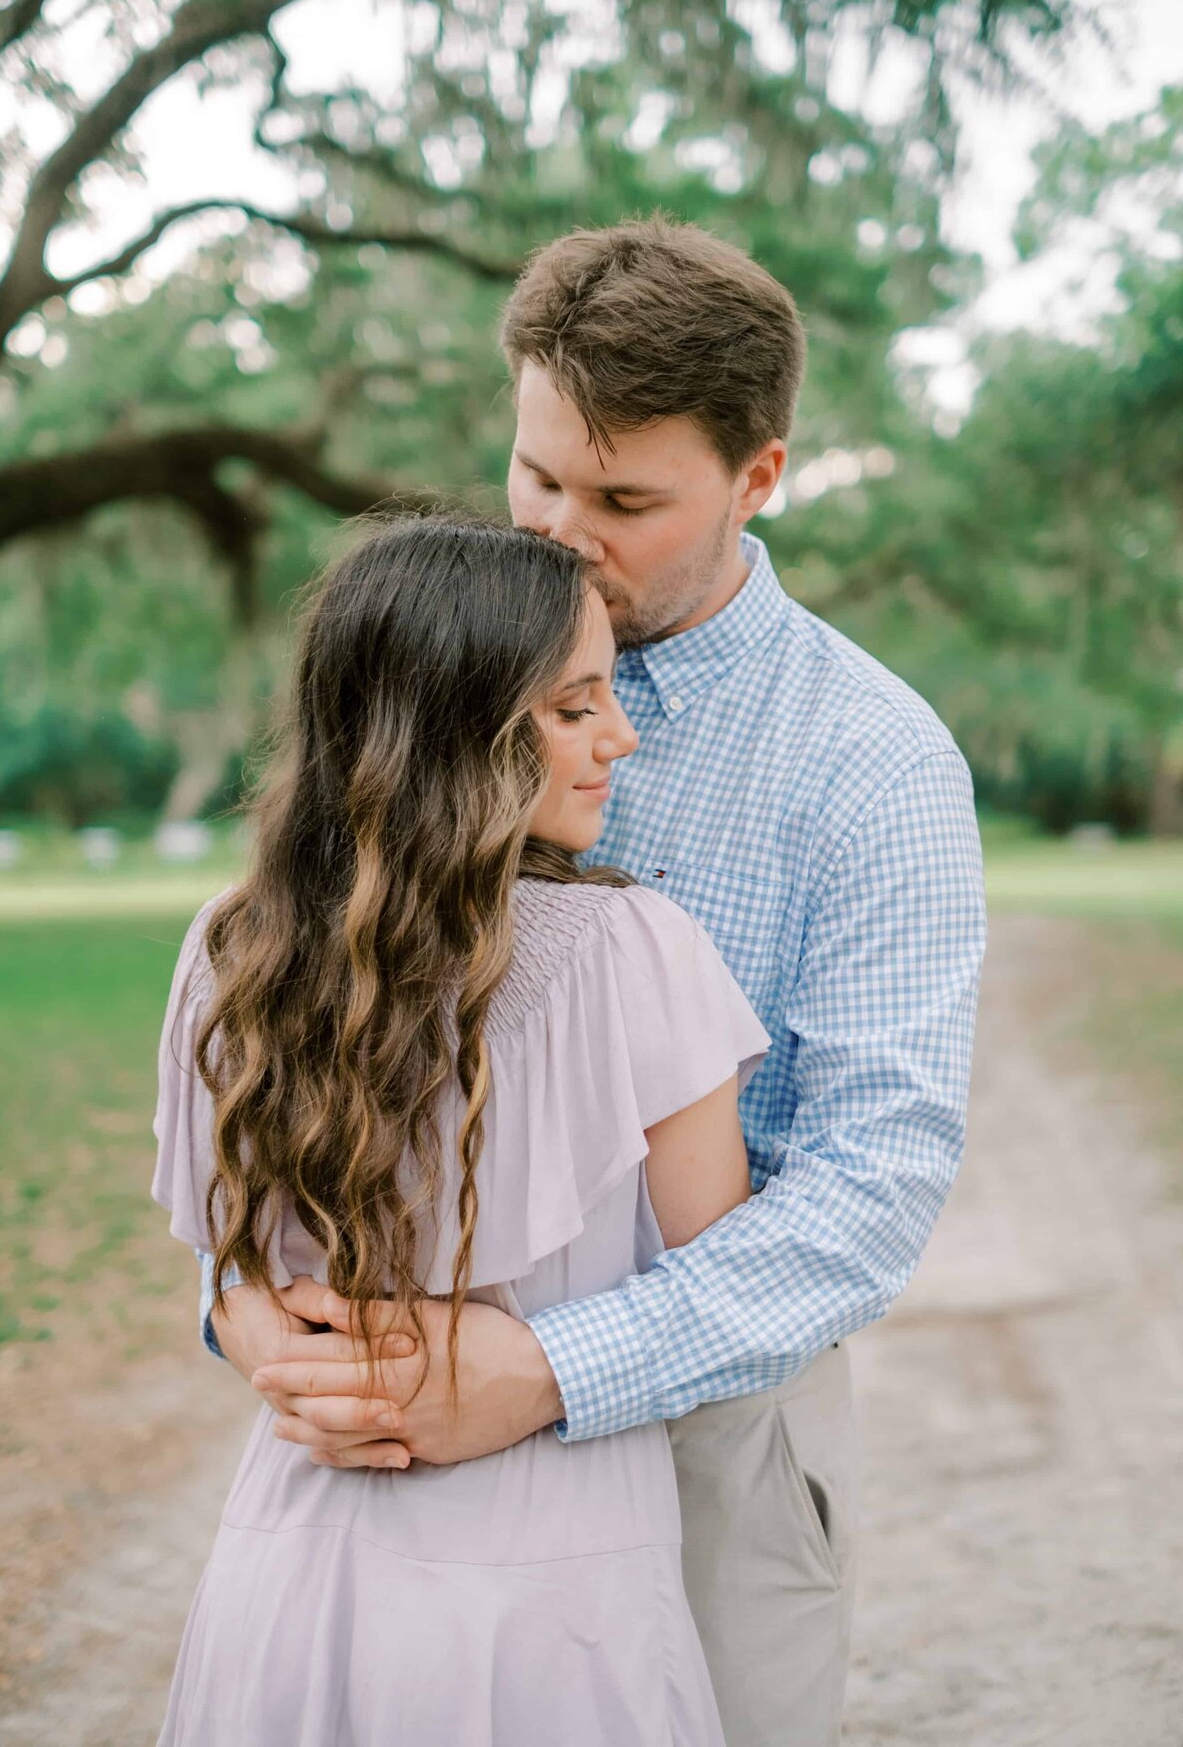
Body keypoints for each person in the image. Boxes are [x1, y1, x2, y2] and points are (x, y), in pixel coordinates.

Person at [200, 219, 988, 1745]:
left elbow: (874, 1182)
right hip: (375, 1425)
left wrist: (553, 1368)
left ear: (760, 477)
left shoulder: (875, 765)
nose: (563, 533)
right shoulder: (437, 671)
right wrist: (246, 1305)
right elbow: (299, 997)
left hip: (697, 1430)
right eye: (538, 476)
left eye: (625, 500)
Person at [153, 515, 771, 1744]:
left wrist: (296, 1353)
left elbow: (227, 1271)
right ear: (462, 734)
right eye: (574, 706)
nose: (620, 736)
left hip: (295, 1567)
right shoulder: (635, 951)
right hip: (558, 1587)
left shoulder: (233, 952)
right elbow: (724, 1288)